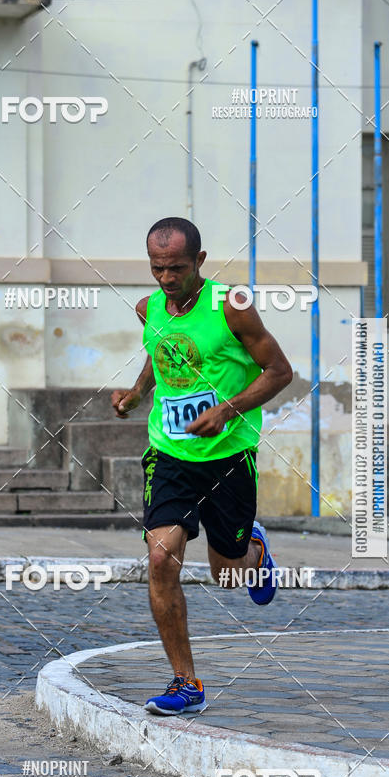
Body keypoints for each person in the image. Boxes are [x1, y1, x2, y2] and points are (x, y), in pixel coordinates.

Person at [111, 217, 293, 716]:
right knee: (160, 559)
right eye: (157, 268)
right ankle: (185, 683)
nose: (166, 278)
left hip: (229, 457)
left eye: (177, 268)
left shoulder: (231, 306)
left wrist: (227, 409)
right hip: (169, 454)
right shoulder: (148, 307)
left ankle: (252, 548)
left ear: (200, 261)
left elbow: (280, 372)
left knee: (227, 576)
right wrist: (136, 393)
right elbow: (160, 351)